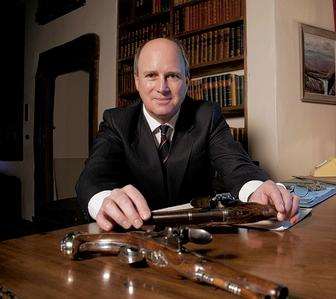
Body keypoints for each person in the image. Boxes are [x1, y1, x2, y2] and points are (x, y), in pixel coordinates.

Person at [76, 38, 299, 231]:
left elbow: (235, 164)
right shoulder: (117, 121)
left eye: (172, 76)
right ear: (137, 81)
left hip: (199, 238)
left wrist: (257, 188)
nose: (162, 87)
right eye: (151, 75)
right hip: (134, 235)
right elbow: (93, 176)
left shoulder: (206, 115)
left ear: (187, 80)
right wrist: (104, 201)